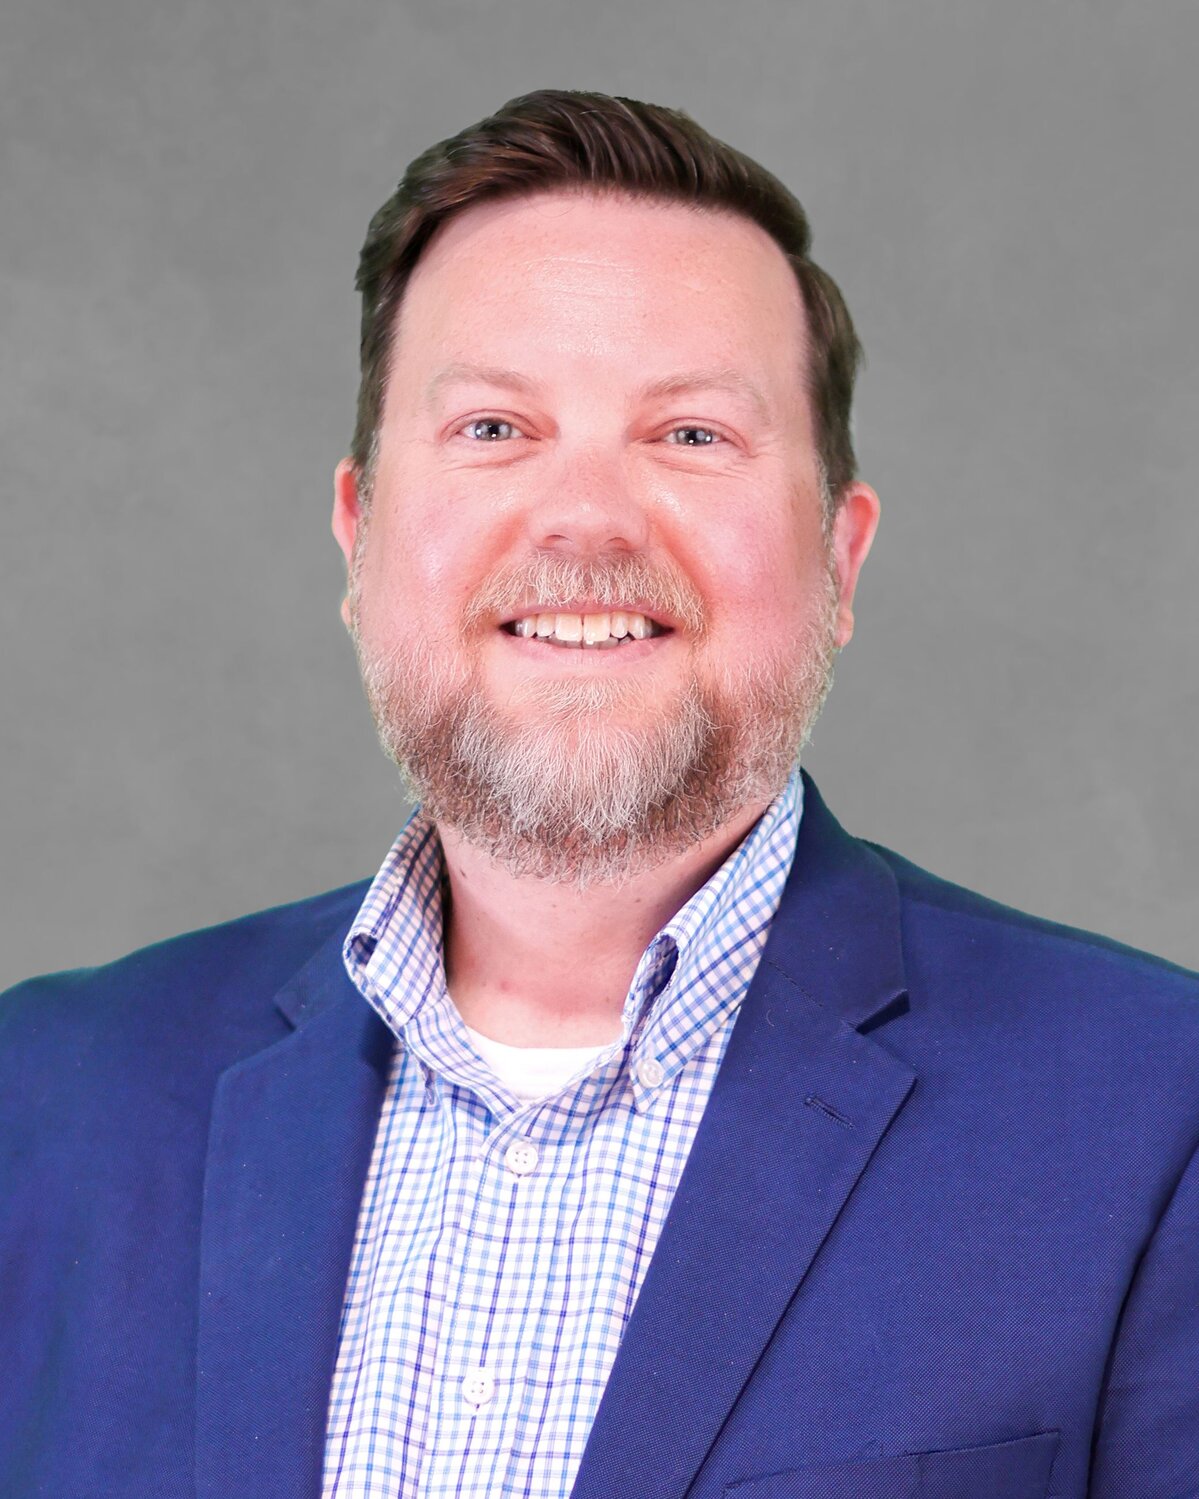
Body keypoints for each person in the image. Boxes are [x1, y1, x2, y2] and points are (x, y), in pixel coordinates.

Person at [2, 88, 1196, 1499]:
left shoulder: (1156, 1117)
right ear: (361, 533)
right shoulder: (44, 1106)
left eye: (691, 436)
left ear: (841, 560)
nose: (585, 517)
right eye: (497, 428)